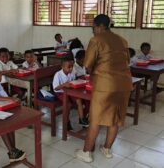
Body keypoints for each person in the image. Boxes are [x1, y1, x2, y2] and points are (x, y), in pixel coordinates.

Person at [76, 14, 132, 163]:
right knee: (115, 118)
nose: (92, 30)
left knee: (95, 119)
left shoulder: (96, 40)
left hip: (105, 85)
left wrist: (95, 71)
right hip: (124, 84)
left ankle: (86, 152)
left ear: (99, 26)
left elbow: (87, 64)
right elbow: (127, 61)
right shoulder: (122, 40)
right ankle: (107, 149)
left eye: (93, 27)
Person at [53, 58, 89, 130]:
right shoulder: (58, 74)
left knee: (79, 100)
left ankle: (82, 119)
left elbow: (73, 81)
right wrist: (64, 85)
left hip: (69, 92)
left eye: (72, 66)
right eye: (68, 67)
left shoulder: (72, 73)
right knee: (68, 104)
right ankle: (66, 122)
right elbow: (55, 88)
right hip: (60, 92)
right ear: (62, 67)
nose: (71, 68)